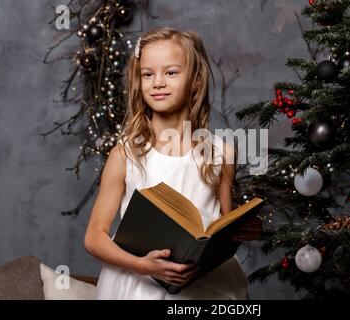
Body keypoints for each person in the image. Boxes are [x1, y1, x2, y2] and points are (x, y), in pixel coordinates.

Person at [84, 27, 262, 300]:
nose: (157, 83)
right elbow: (94, 237)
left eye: (171, 72)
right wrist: (143, 265)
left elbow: (222, 227)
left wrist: (243, 229)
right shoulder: (125, 155)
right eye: (148, 74)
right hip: (138, 286)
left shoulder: (221, 153)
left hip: (205, 285)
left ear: (195, 79)